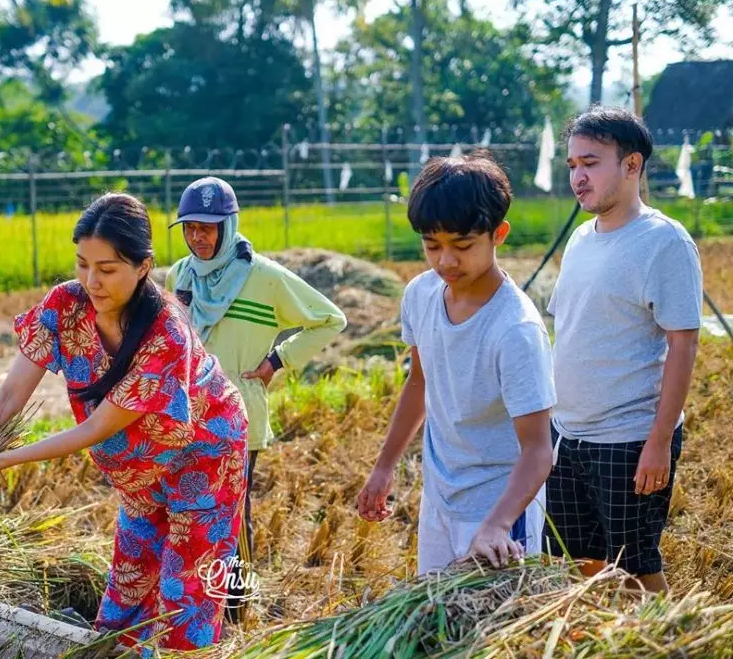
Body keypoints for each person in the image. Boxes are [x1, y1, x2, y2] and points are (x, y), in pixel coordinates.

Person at [0, 193, 249, 651]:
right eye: (83, 264)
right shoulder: (65, 306)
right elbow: (8, 394)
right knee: (129, 581)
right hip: (138, 469)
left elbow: (95, 429)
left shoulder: (166, 333)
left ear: (143, 266)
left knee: (185, 595)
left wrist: (2, 460)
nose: (91, 281)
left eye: (107, 269)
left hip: (205, 455)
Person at [357, 154, 555, 575]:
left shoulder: (515, 329)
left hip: (498, 512)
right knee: (439, 626)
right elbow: (419, 384)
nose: (446, 261)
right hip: (440, 497)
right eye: (433, 245)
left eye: (462, 246)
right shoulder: (420, 295)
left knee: (497, 636)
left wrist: (497, 525)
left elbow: (539, 451)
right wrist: (384, 466)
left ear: (498, 234)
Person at [164, 176, 346, 618]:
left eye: (207, 227)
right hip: (186, 415)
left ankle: (237, 612)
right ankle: (190, 607)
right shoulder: (179, 276)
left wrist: (277, 361)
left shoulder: (264, 278)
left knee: (233, 520)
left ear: (229, 226)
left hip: (238, 417)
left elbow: (329, 319)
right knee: (185, 515)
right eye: (189, 227)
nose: (197, 237)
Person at [545, 106, 702, 593]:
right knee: (579, 565)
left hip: (629, 436)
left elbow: (683, 343)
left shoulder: (664, 241)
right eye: (572, 165)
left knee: (635, 569)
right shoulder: (578, 239)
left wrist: (658, 442)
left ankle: (672, 641)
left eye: (590, 163)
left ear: (631, 165)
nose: (578, 177)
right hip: (567, 434)